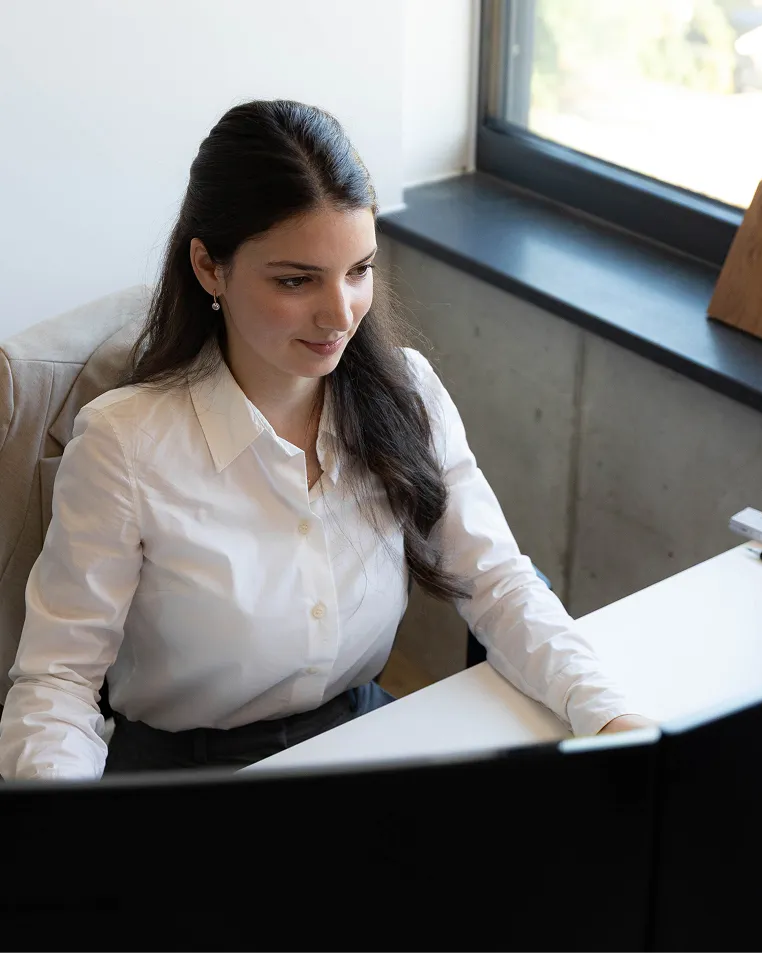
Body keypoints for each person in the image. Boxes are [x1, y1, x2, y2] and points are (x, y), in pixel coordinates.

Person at [0, 100, 650, 781]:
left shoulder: (407, 394)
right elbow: (57, 685)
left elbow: (497, 582)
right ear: (210, 267)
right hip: (187, 775)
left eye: (358, 270)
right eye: (296, 280)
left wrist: (610, 715)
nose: (340, 315)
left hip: (359, 735)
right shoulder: (124, 444)